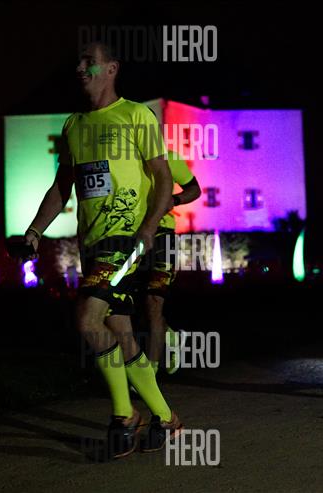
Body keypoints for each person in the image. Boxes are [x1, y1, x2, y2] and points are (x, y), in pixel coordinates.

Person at [23, 41, 181, 458]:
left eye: (88, 62)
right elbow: (63, 186)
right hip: (92, 243)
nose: (80, 68)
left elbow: (163, 177)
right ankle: (166, 418)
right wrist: (35, 231)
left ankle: (124, 416)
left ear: (112, 68)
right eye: (78, 62)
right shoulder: (74, 124)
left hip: (127, 239)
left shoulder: (136, 114)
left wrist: (150, 226)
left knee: (86, 318)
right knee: (120, 332)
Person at [139, 149, 201, 374]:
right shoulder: (123, 159)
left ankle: (150, 372)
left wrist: (174, 200)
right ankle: (170, 336)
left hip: (163, 235)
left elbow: (195, 189)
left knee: (154, 301)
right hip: (131, 235)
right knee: (138, 308)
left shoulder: (169, 158)